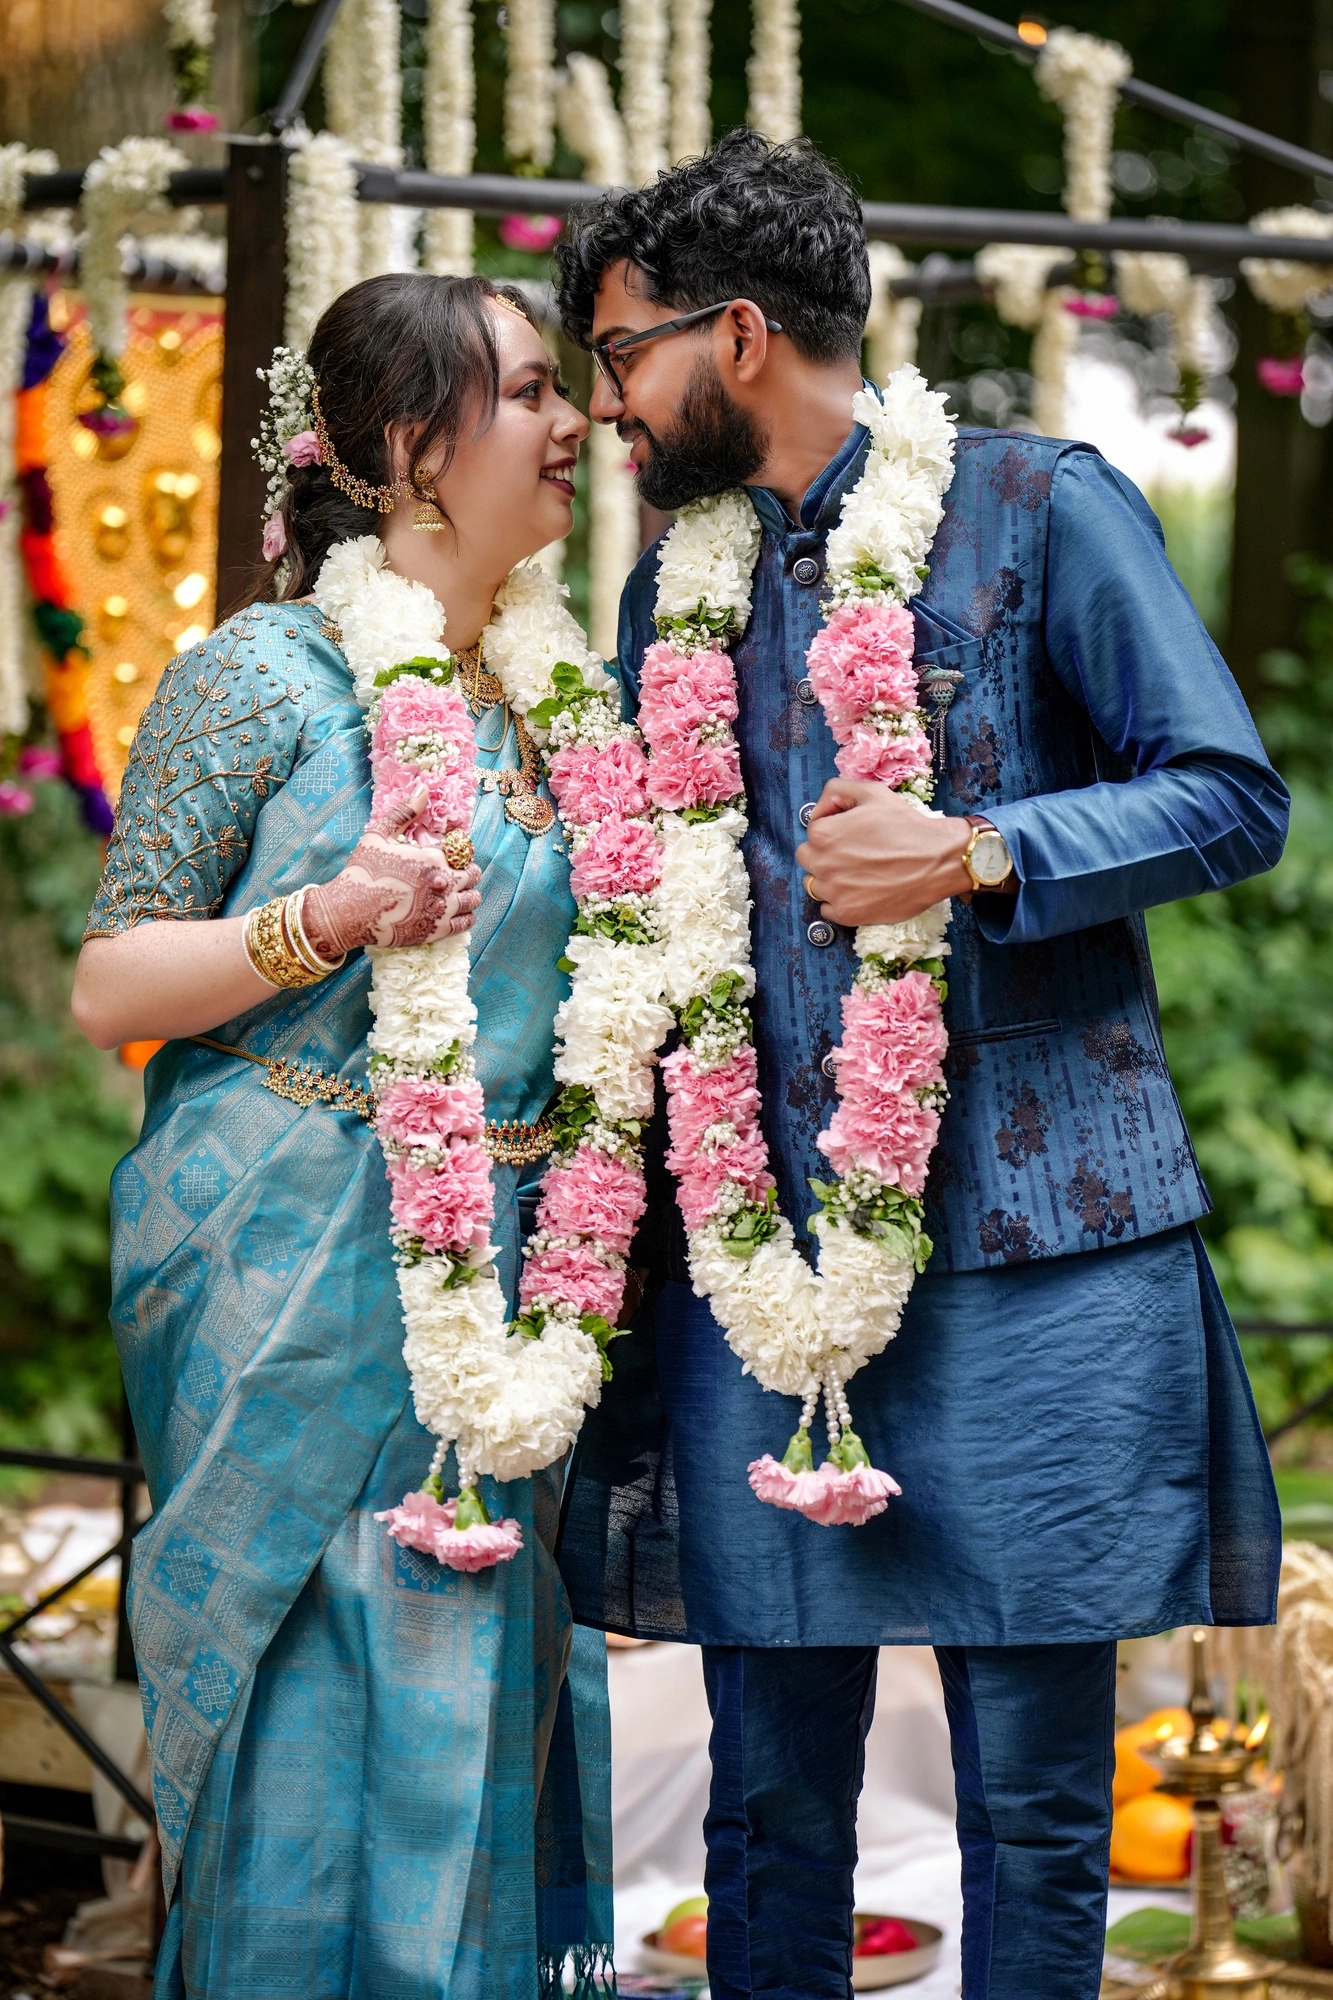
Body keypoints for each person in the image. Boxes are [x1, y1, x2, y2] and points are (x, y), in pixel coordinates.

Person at [552, 129, 1287, 2000]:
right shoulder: (675, 595)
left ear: (731, 338)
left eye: (619, 356)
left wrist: (986, 850)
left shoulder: (1042, 505)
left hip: (1041, 1255)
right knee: (763, 1819)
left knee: (1033, 1817)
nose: (603, 409)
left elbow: (1228, 795)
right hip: (766, 1268)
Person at [72, 273, 616, 2000]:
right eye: (533, 390)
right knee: (316, 1697)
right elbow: (111, 985)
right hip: (289, 1267)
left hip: (512, 1294)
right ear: (410, 448)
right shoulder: (265, 672)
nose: (576, 420)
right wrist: (321, 919)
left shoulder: (564, 697)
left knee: (500, 1707)